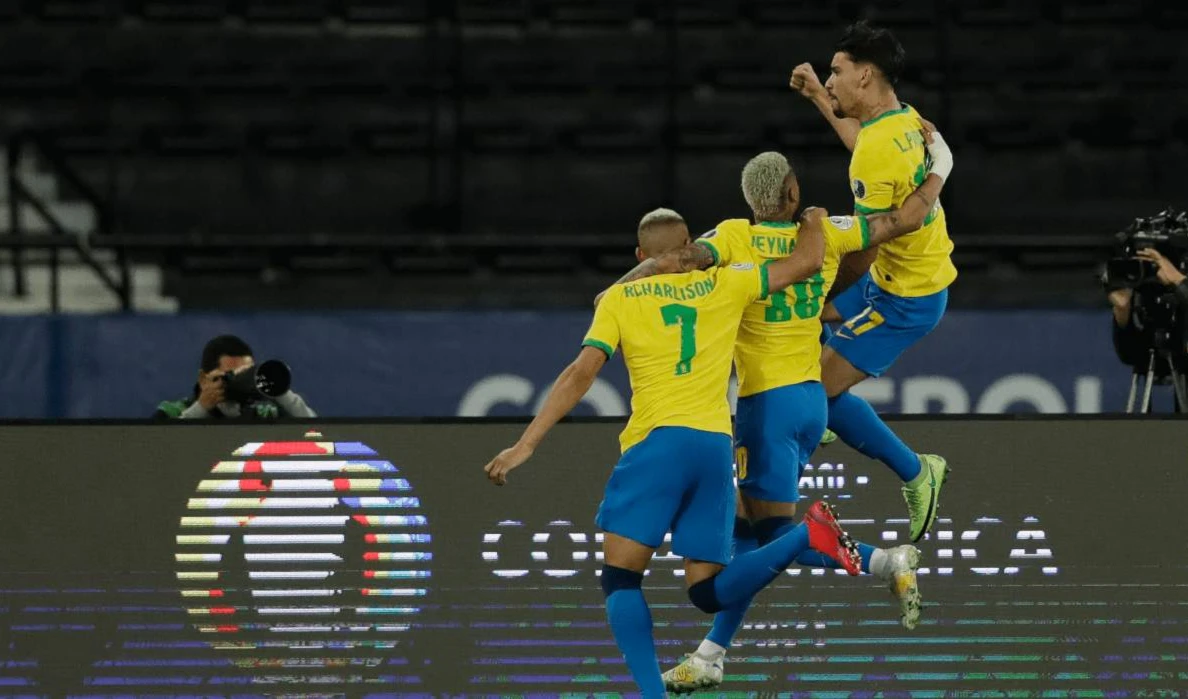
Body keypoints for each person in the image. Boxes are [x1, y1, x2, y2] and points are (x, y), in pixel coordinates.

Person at [603, 130, 954, 692]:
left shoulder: (734, 239)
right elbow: (903, 220)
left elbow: (680, 259)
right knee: (744, 539)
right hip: (813, 399)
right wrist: (940, 166)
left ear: (751, 200)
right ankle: (712, 654)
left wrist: (617, 289)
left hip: (763, 409)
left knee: (770, 542)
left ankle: (889, 561)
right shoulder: (829, 230)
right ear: (793, 191)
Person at [481, 207, 862, 697]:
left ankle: (652, 695)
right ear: (691, 247)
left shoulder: (620, 297)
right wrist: (812, 222)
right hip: (711, 447)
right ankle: (803, 536)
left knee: (620, 578)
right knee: (707, 592)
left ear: (639, 257)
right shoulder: (728, 282)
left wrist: (525, 443)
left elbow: (581, 372)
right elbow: (807, 264)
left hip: (657, 444)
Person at [787, 20, 954, 543]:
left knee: (813, 394)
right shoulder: (903, 120)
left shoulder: (880, 146)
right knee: (807, 351)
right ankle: (832, 415)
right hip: (904, 277)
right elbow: (864, 144)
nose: (830, 79)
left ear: (864, 75)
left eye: (835, 72)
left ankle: (917, 472)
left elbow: (866, 248)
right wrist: (818, 97)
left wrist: (823, 290)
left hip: (904, 298)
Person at [154, 334, 317, 419]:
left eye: (246, 373)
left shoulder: (263, 414)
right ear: (204, 379)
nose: (239, 381)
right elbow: (155, 452)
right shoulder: (173, 412)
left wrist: (278, 390)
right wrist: (200, 409)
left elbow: (317, 433)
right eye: (230, 375)